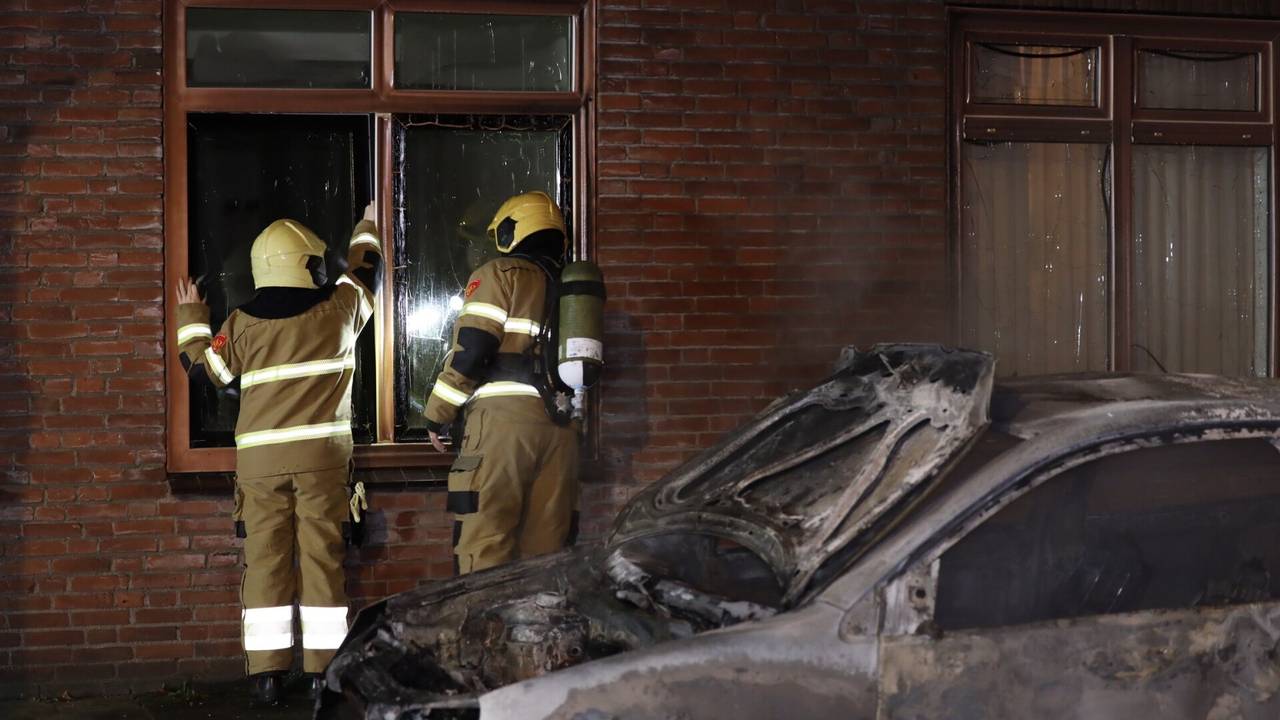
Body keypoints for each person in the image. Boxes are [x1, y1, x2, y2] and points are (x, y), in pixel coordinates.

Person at [173, 203, 382, 703]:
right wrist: (367, 225)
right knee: (323, 562)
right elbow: (365, 271)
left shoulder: (242, 323)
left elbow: (205, 374)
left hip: (260, 470)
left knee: (265, 562)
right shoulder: (340, 309)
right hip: (322, 464)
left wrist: (191, 315)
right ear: (310, 264)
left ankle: (266, 677)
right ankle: (322, 676)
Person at [424, 191, 579, 575]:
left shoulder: (499, 275)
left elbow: (472, 350)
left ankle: (484, 633)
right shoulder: (572, 287)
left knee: (484, 545)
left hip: (502, 428)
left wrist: (437, 414)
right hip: (562, 430)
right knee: (546, 555)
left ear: (513, 232)